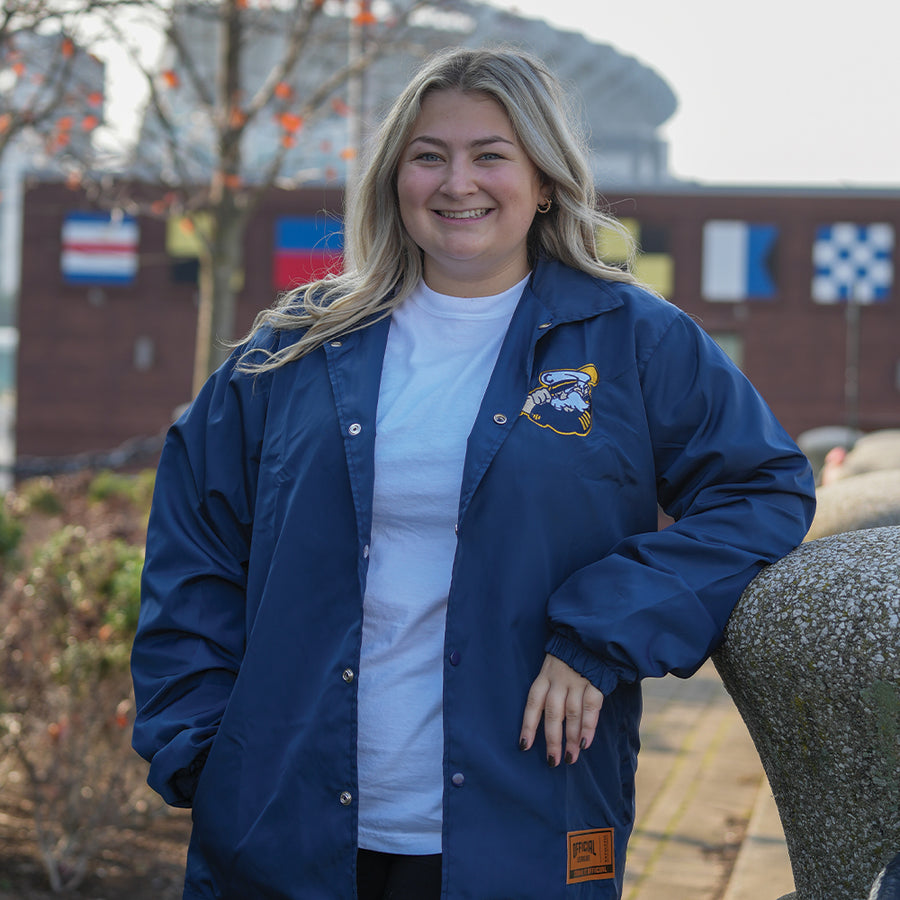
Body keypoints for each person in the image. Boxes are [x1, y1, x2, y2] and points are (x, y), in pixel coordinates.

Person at [131, 46, 816, 900]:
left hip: (527, 813)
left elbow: (762, 491)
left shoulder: (632, 339)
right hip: (283, 820)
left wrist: (600, 632)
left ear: (545, 180)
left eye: (491, 154)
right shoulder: (298, 346)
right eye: (430, 156)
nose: (459, 183)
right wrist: (197, 744)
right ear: (394, 178)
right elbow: (193, 541)